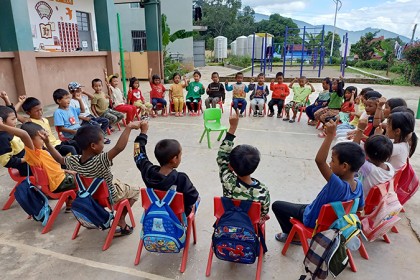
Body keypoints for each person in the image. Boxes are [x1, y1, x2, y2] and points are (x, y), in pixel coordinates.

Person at [272, 121, 365, 243]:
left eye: (332, 160)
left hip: (313, 220)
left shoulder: (338, 185)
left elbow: (320, 161)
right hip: (333, 221)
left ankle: (293, 236)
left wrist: (330, 135)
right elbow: (361, 207)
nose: (330, 164)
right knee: (301, 206)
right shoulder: (358, 185)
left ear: (344, 166)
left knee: (277, 205)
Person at [44, 123, 142, 235]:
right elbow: (118, 148)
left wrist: (47, 143)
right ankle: (120, 219)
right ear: (93, 146)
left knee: (113, 182)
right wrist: (128, 127)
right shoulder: (100, 160)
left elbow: (60, 159)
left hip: (89, 196)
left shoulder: (73, 160)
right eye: (102, 142)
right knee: (136, 191)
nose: (103, 145)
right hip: (109, 196)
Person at [0, 121, 76, 211]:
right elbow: (24, 134)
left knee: (79, 172)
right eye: (41, 138)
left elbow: (54, 169)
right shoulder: (33, 153)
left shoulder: (41, 151)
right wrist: (2, 126)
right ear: (30, 141)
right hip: (59, 184)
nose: (44, 139)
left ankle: (70, 202)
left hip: (59, 180)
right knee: (86, 176)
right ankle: (83, 203)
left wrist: (47, 142)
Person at [134, 121, 199, 215]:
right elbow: (193, 197)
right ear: (174, 159)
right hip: (176, 217)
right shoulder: (181, 178)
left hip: (154, 212)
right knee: (197, 199)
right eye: (180, 155)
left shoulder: (148, 172)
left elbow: (138, 154)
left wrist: (143, 133)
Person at [217, 111, 270, 223]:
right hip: (249, 228)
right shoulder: (262, 191)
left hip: (227, 223)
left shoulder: (227, 181)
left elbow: (222, 156)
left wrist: (232, 127)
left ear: (230, 166)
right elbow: (263, 214)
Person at [17, 95, 82, 154]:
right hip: (49, 147)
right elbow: (13, 113)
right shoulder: (30, 121)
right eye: (37, 111)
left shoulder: (45, 120)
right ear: (28, 112)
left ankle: (84, 162)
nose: (40, 112)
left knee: (76, 143)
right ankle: (74, 165)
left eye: (41, 109)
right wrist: (20, 102)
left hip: (57, 143)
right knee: (71, 149)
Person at [353, 122, 394, 198]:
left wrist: (360, 129)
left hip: (361, 200)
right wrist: (377, 136)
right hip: (374, 202)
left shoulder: (368, 168)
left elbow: (352, 151)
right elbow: (379, 148)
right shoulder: (390, 167)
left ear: (366, 154)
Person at [0, 92, 29, 176]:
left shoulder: (10, 129)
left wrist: (6, 99)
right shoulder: (3, 138)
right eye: (13, 119)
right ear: (1, 122)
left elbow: (10, 112)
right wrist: (25, 159)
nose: (16, 121)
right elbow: (6, 161)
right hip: (24, 167)